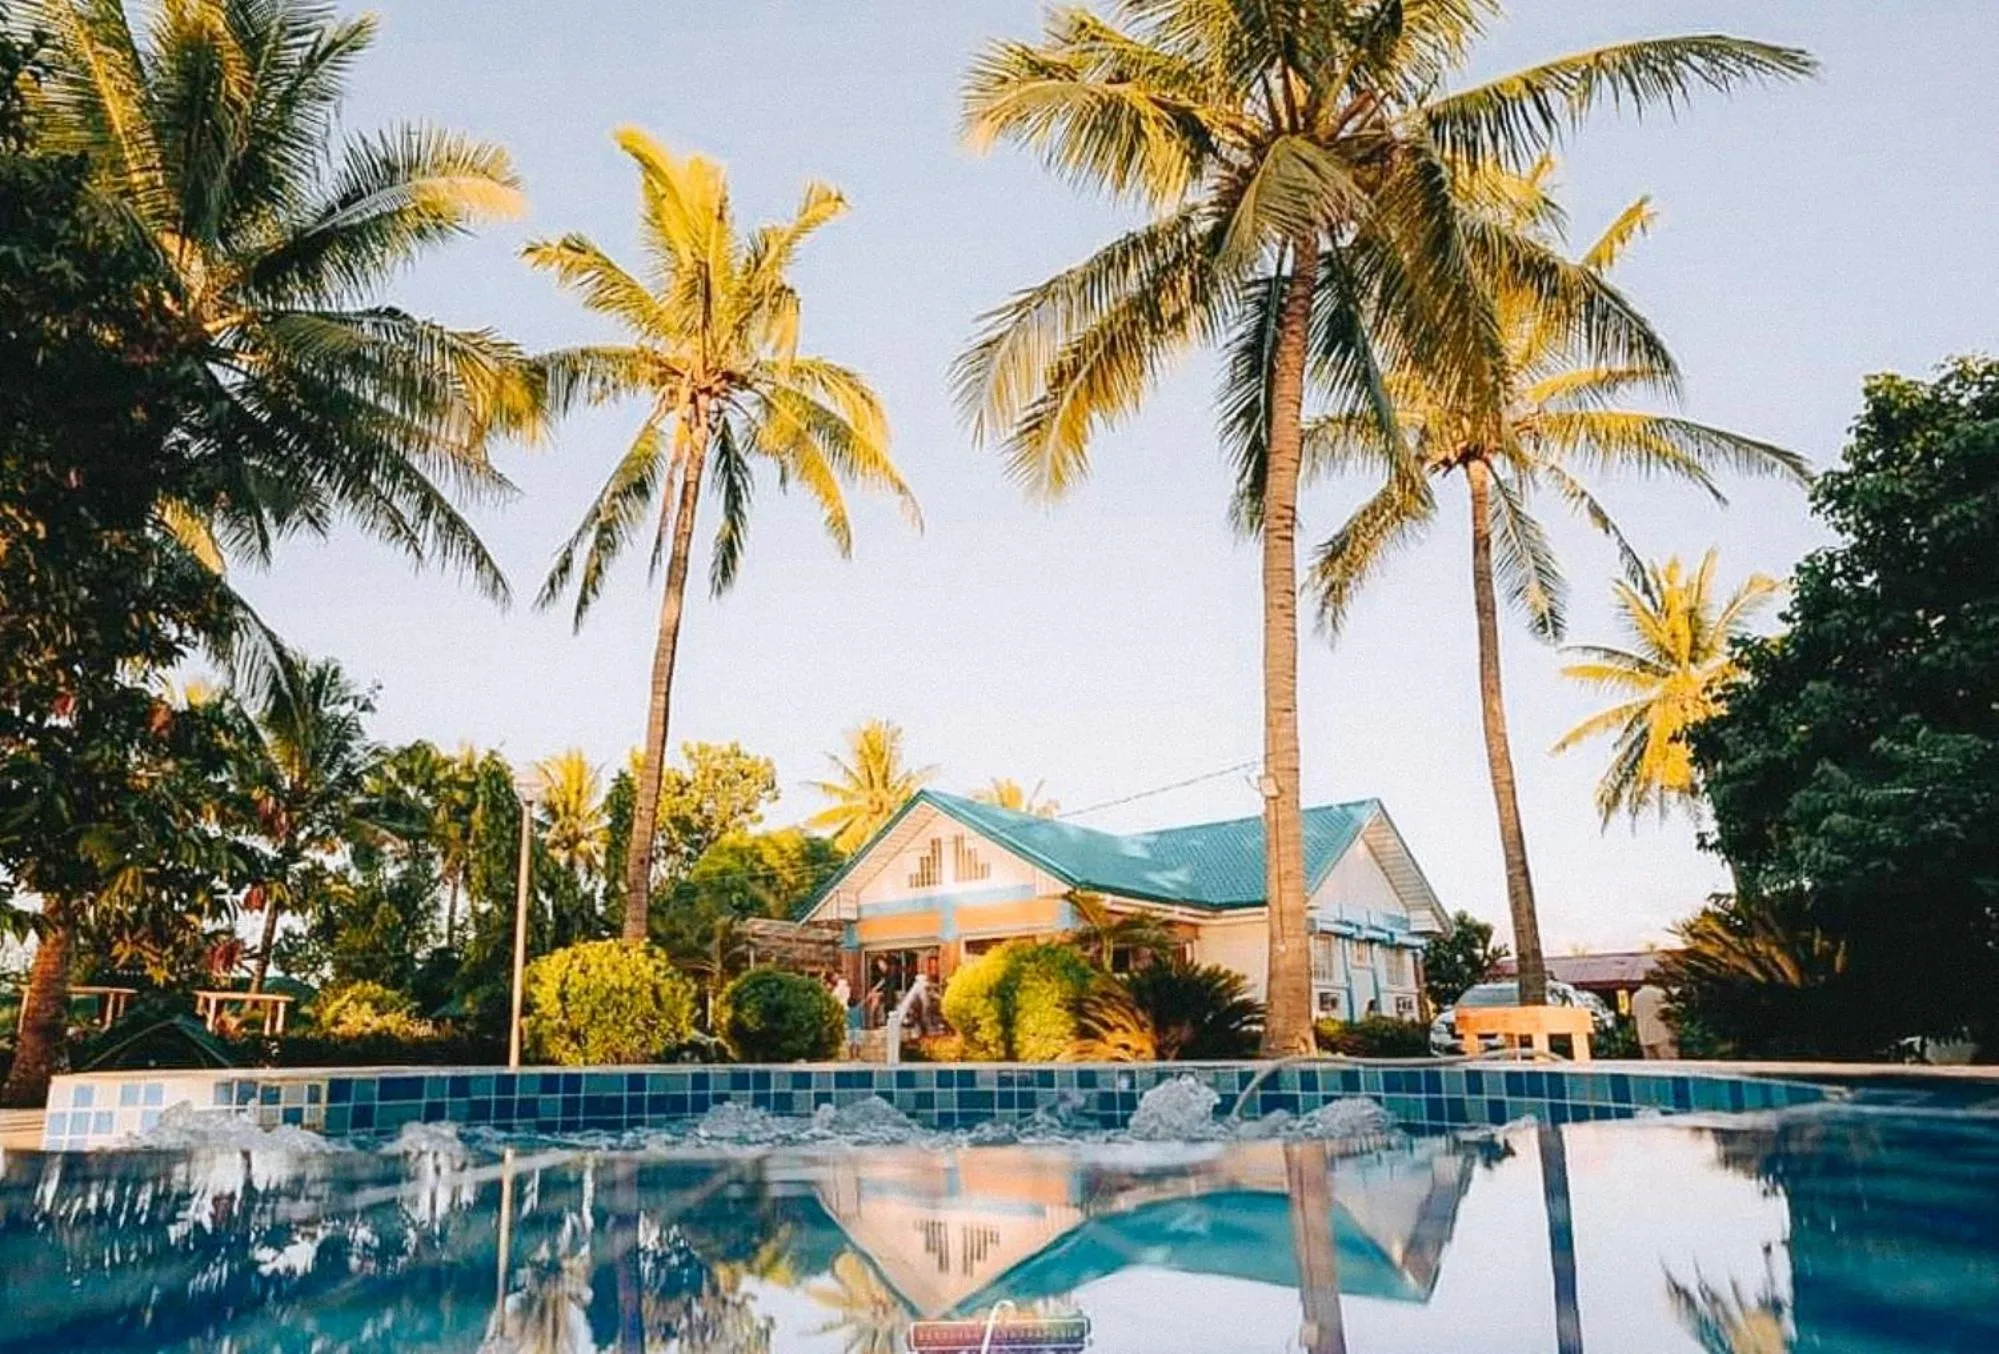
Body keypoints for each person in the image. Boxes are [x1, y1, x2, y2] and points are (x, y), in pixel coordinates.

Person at [1631, 983, 1678, 1060]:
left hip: (1644, 1035)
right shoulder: (1658, 993)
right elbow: (1666, 1012)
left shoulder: (1635, 996)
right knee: (1668, 1063)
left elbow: (1633, 1017)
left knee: (1651, 1065)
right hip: (1661, 1033)